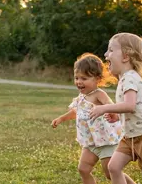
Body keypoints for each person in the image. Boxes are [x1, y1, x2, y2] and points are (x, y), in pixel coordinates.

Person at [89, 33, 142, 184]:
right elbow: (133, 108)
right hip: (131, 136)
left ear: (125, 56)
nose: (106, 54)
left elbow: (130, 106)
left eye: (110, 50)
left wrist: (104, 108)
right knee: (114, 167)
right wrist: (118, 115)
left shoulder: (130, 77)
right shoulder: (125, 78)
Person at [51, 53, 135, 183]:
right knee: (83, 169)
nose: (79, 82)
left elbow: (114, 108)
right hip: (90, 142)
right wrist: (61, 119)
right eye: (76, 78)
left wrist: (111, 112)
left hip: (106, 142)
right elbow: (76, 112)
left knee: (110, 173)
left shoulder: (99, 94)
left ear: (97, 79)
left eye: (84, 78)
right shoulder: (81, 97)